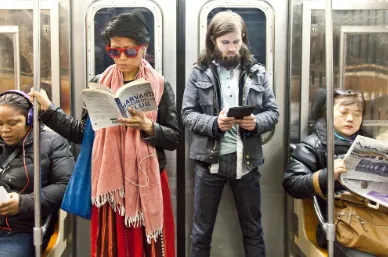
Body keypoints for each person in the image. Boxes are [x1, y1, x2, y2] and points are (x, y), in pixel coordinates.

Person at [30, 12, 179, 257]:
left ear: (144, 48)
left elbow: (174, 138)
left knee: (148, 247)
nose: (121, 58)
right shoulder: (99, 82)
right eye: (114, 51)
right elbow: (81, 133)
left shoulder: (160, 85)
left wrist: (149, 127)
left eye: (129, 51)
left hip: (146, 178)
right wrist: (49, 110)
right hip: (109, 181)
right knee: (112, 246)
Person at [182, 11, 279, 257]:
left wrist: (256, 123)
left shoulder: (258, 72)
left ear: (243, 39)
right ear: (213, 41)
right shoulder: (199, 73)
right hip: (209, 164)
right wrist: (215, 123)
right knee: (201, 233)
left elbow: (273, 112)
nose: (232, 48)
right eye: (225, 43)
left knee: (253, 231)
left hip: (245, 162)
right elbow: (187, 114)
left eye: (236, 42)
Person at [283, 88, 376, 257]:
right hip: (338, 224)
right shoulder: (312, 145)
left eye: (357, 113)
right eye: (343, 112)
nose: (350, 119)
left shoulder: (370, 145)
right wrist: (325, 175)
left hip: (373, 218)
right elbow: (292, 183)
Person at [0, 90, 73, 257]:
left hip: (23, 229)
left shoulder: (53, 141)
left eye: (12, 123)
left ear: (30, 119)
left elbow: (64, 186)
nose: (4, 130)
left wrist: (22, 203)